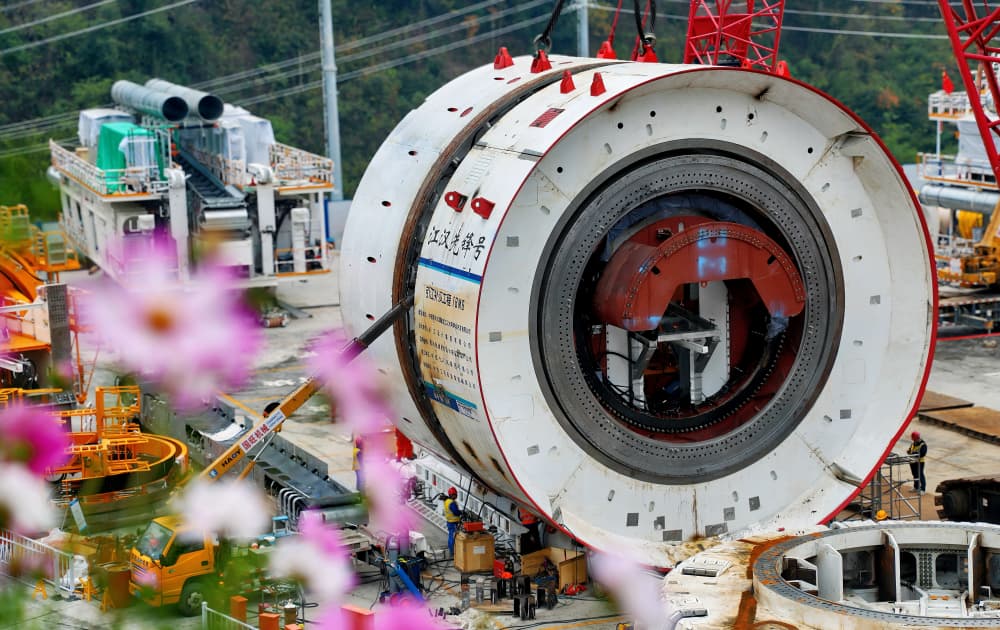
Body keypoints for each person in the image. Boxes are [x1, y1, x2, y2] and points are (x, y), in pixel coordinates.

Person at [443, 487, 462, 555]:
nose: (456, 496)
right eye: (455, 494)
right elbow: (455, 512)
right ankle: (452, 552)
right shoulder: (452, 503)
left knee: (451, 536)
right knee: (453, 537)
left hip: (449, 521)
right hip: (454, 522)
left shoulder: (447, 501)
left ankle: (451, 550)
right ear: (452, 495)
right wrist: (461, 512)